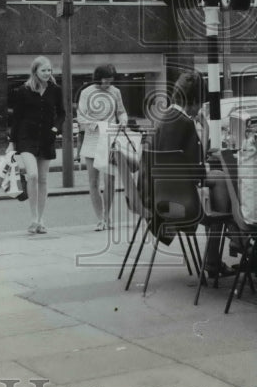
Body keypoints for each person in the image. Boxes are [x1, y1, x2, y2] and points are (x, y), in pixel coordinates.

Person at [138, 71, 231, 278]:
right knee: (222, 181)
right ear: (196, 101)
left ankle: (231, 243)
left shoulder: (165, 118)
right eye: (201, 103)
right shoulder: (185, 123)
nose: (200, 108)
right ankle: (219, 253)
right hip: (180, 203)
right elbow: (196, 172)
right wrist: (205, 129)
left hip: (157, 198)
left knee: (216, 181)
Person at [8, 56, 65, 235]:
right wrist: (11, 143)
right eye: (44, 70)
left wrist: (56, 128)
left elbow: (62, 113)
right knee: (32, 175)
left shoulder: (55, 90)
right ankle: (33, 218)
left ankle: (41, 220)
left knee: (43, 179)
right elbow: (16, 118)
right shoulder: (23, 91)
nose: (47, 73)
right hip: (26, 138)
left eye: (49, 70)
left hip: (47, 137)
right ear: (35, 71)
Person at [77, 63, 128, 231]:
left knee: (110, 181)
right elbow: (81, 117)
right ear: (98, 79)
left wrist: (123, 119)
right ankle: (100, 218)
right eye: (105, 81)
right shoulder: (86, 93)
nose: (108, 85)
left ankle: (107, 217)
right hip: (92, 139)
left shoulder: (115, 92)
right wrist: (96, 125)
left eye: (110, 82)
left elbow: (121, 111)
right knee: (93, 181)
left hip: (111, 139)